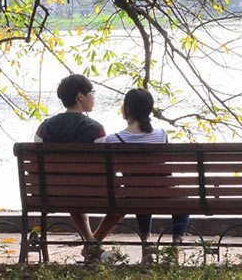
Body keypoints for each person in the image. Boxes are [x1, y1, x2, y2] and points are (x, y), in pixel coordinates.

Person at [93, 88, 190, 248]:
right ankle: (176, 245)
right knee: (182, 201)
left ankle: (146, 242)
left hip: (133, 195)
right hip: (163, 193)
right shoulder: (161, 135)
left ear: (128, 109)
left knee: (139, 190)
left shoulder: (114, 139)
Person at [34, 74, 106, 260]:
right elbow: (103, 168)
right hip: (90, 193)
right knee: (118, 203)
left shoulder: (44, 128)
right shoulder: (96, 129)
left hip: (52, 193)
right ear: (80, 96)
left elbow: (36, 164)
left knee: (72, 187)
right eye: (91, 92)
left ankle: (90, 242)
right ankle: (93, 242)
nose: (94, 97)